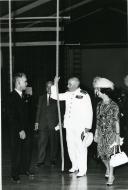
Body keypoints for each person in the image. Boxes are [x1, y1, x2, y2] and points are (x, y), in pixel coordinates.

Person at [51, 77, 93, 177]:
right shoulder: (67, 94)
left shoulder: (84, 94)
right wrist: (55, 84)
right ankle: (75, 166)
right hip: (69, 126)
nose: (67, 85)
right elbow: (55, 96)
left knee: (81, 147)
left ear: (75, 85)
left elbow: (89, 111)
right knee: (70, 147)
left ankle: (82, 170)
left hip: (80, 126)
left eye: (69, 84)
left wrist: (88, 127)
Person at [7, 73, 34, 183]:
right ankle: (14, 174)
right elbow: (11, 116)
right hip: (17, 130)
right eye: (25, 81)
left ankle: (24, 170)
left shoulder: (25, 95)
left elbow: (28, 113)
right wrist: (20, 130)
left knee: (26, 151)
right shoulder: (11, 96)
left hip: (27, 129)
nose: (27, 83)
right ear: (18, 82)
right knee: (16, 152)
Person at [93, 77, 120, 185]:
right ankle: (108, 168)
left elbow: (116, 121)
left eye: (97, 89)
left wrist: (117, 135)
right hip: (100, 133)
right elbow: (98, 120)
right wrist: (96, 132)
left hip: (111, 133)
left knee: (110, 155)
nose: (96, 92)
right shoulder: (99, 105)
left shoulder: (114, 105)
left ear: (103, 90)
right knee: (102, 155)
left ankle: (111, 176)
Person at [35, 81, 59, 166]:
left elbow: (61, 112)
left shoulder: (58, 98)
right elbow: (38, 110)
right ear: (46, 88)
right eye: (47, 87)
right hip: (43, 124)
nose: (49, 89)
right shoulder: (41, 98)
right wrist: (37, 122)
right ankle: (40, 160)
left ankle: (53, 159)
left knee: (54, 143)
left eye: (51, 87)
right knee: (41, 143)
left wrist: (60, 123)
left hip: (54, 125)